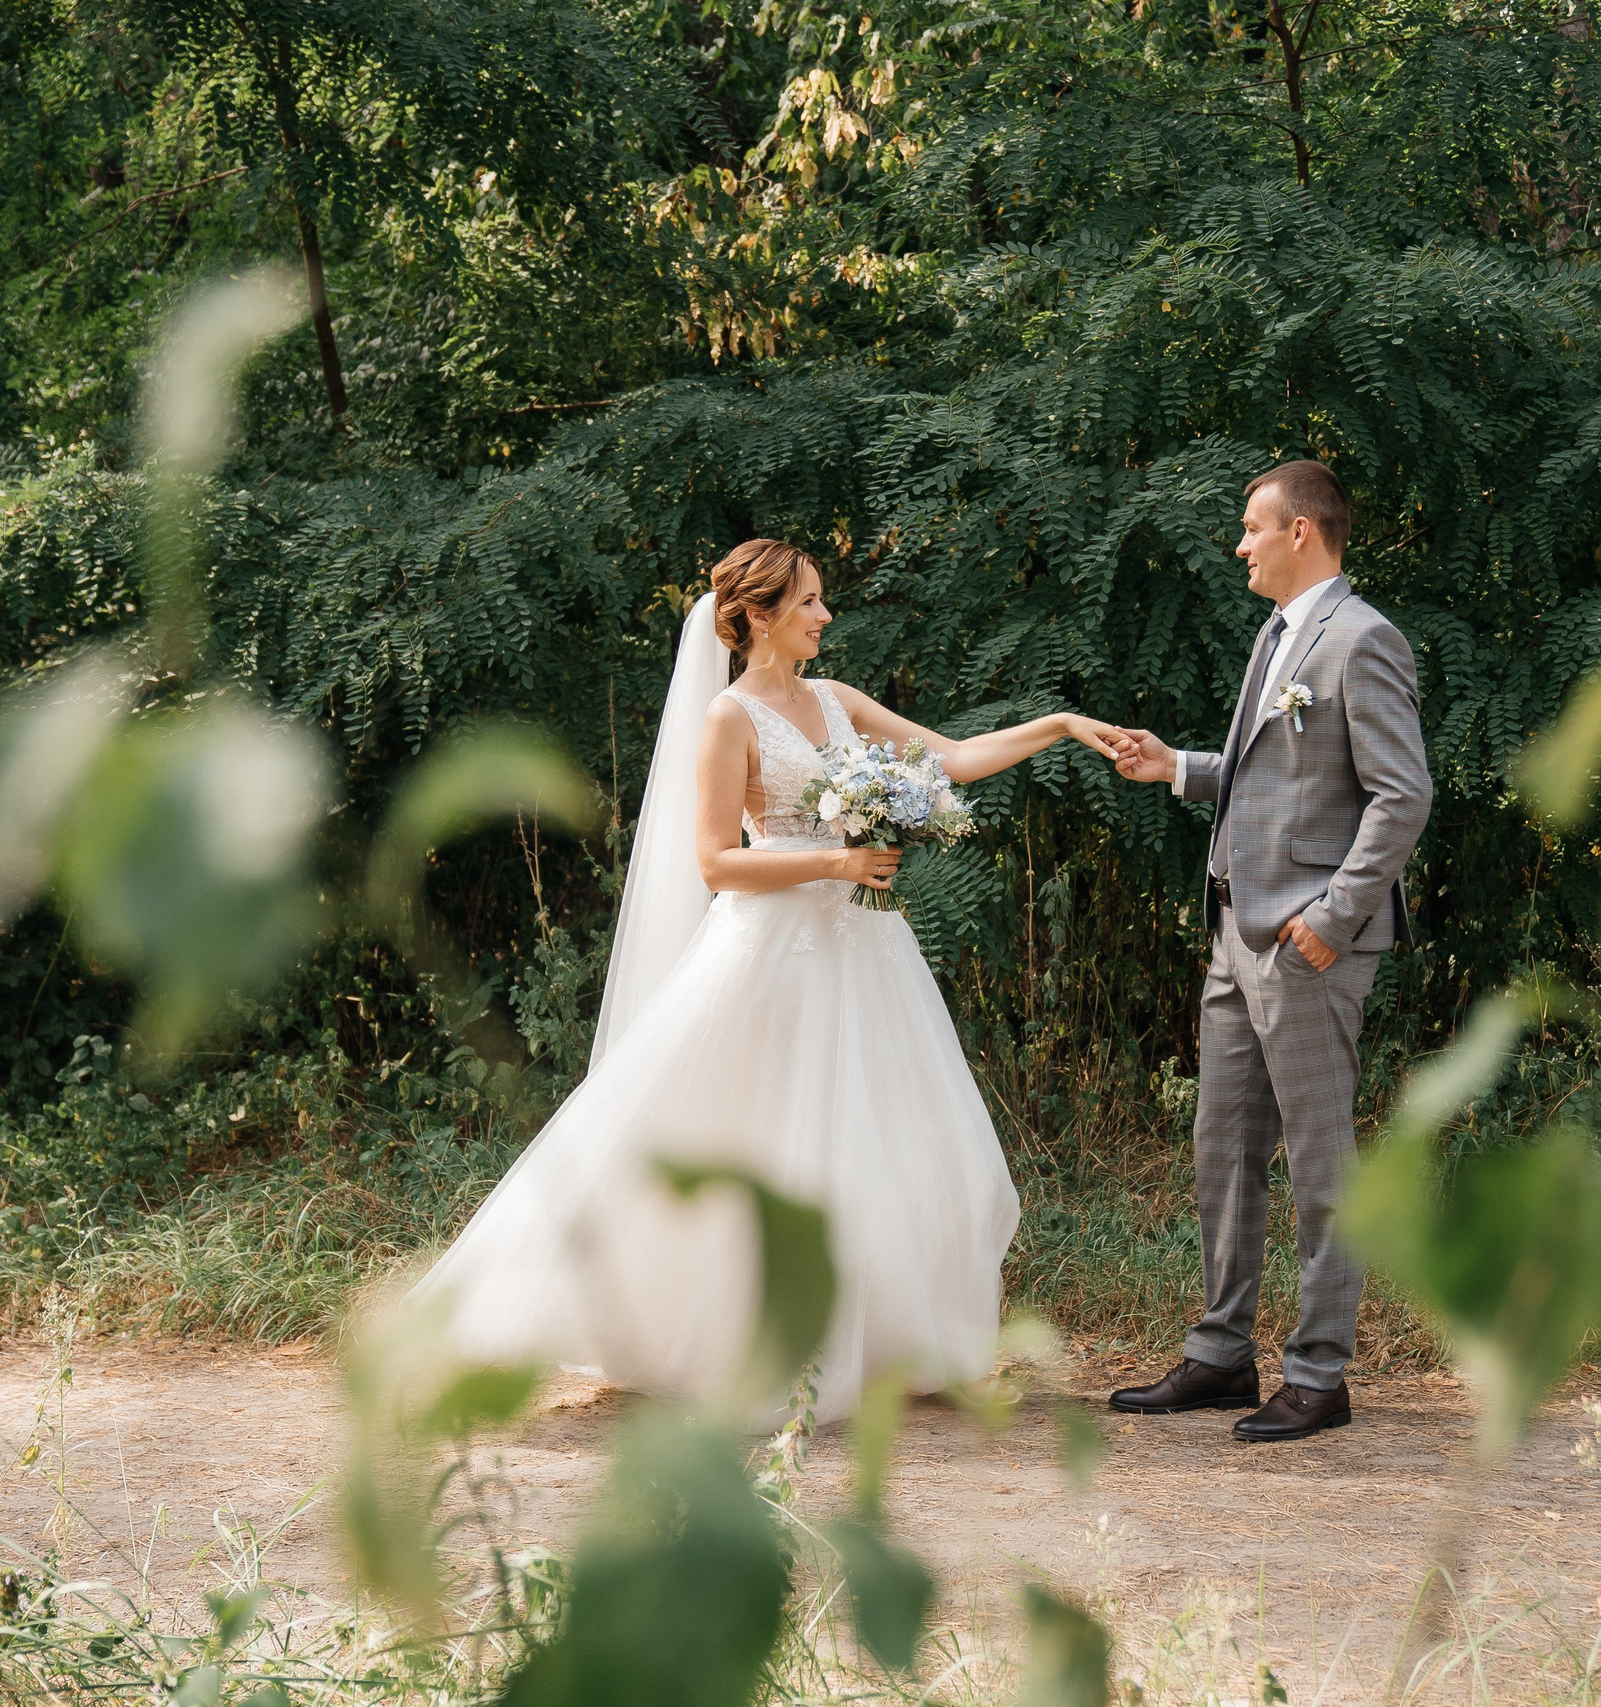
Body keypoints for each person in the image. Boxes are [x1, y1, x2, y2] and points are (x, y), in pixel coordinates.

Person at [413, 538, 1126, 1422]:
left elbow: (958, 757)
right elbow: (715, 860)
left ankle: (909, 1345)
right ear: (755, 616)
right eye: (809, 603)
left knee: (904, 1142)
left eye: (823, 600)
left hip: (864, 953)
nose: (825, 615)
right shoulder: (729, 719)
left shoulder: (837, 699)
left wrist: (1061, 726)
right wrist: (836, 857)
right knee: (772, 1145)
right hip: (772, 952)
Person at [1105, 460, 1432, 1443]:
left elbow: (1401, 795)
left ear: (1302, 533)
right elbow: (1278, 782)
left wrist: (1331, 920)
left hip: (1305, 945)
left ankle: (1320, 1372)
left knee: (1320, 1158)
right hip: (1231, 930)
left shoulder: (1362, 641)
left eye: (1252, 527)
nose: (1238, 543)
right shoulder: (1278, 633)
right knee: (1224, 1149)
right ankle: (1219, 1354)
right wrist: (1178, 769)